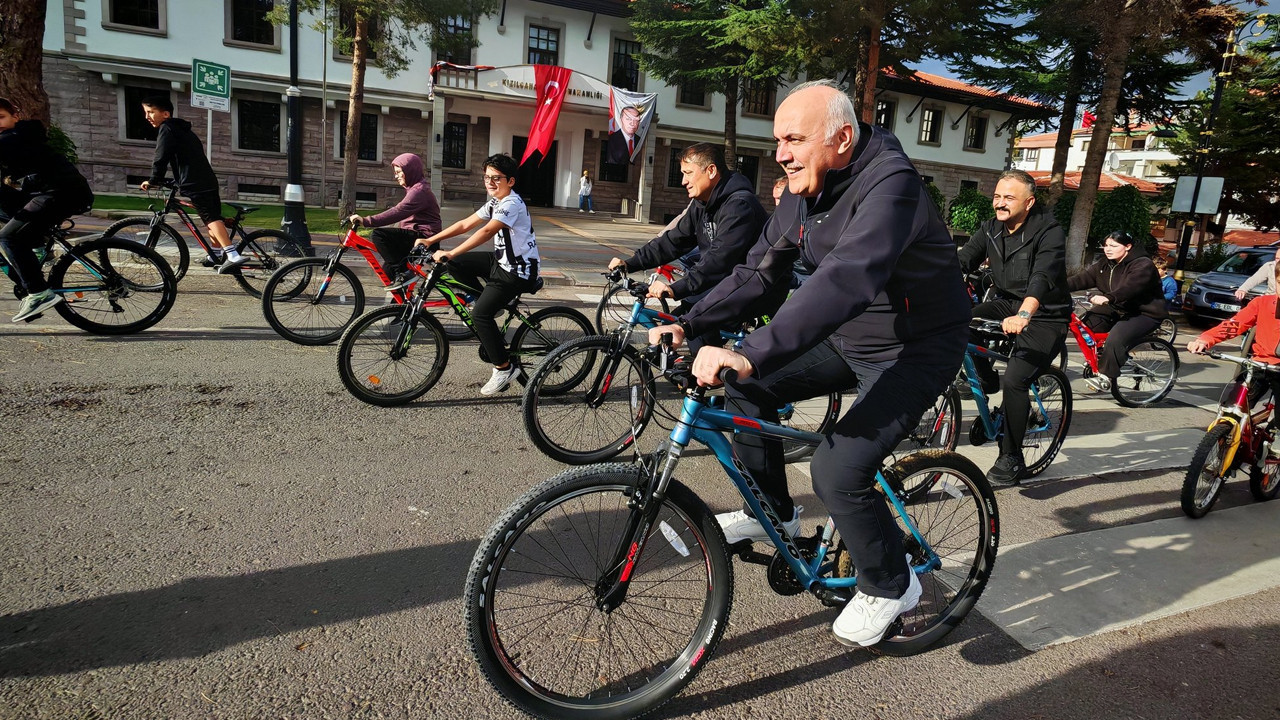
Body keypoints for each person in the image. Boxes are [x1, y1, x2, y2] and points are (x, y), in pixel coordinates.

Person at [648, 80, 970, 647]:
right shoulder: (804, 187)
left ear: (841, 138)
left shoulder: (892, 186)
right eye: (777, 140)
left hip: (917, 348)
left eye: (793, 139)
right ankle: (774, 513)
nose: (780, 154)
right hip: (851, 336)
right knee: (748, 393)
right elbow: (757, 270)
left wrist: (748, 352)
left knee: (836, 470)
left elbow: (844, 280)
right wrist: (690, 321)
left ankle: (892, 584)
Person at [607, 142, 778, 352]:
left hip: (755, 286)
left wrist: (674, 288)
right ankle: (699, 372)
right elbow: (673, 241)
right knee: (680, 319)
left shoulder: (740, 206)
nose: (683, 181)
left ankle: (708, 376)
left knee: (692, 321)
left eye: (688, 173)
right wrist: (629, 263)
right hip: (727, 282)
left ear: (711, 171)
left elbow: (718, 261)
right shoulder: (703, 202)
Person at [957, 169, 1070, 487]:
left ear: (1029, 202)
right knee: (959, 324)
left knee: (1017, 380)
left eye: (1008, 197)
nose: (1000, 203)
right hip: (1006, 302)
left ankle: (1012, 455)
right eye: (996, 196)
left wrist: (1024, 313)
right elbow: (964, 260)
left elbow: (1043, 276)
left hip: (1046, 314)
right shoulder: (991, 228)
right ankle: (984, 377)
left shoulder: (1049, 231)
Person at [413, 153, 539, 396]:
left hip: (518, 271)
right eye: (487, 178)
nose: (490, 182)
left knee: (480, 316)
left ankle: (504, 368)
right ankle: (482, 301)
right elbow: (465, 224)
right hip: (501, 262)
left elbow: (486, 232)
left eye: (496, 178)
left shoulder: (511, 204)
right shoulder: (495, 201)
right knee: (457, 264)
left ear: (510, 181)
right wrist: (432, 240)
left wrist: (449, 252)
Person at [0, 98, 95, 322]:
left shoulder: (12, 138)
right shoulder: (21, 137)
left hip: (61, 193)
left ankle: (38, 292)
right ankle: (38, 247)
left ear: (15, 116)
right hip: (54, 191)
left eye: (1, 117)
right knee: (10, 214)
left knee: (8, 238)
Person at [138, 96, 242, 274]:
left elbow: (160, 157)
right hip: (205, 178)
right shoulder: (182, 130)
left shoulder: (167, 128)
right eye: (146, 112)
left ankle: (232, 255)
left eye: (151, 112)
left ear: (165, 113)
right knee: (210, 215)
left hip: (196, 182)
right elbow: (186, 159)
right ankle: (214, 255)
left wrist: (154, 180)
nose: (147, 116)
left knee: (211, 218)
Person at [1067, 231, 1168, 392]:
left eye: (1113, 246)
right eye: (1106, 245)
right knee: (1085, 325)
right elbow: (1082, 279)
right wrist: (1055, 288)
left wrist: (1109, 297)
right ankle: (1103, 356)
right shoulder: (1104, 264)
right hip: (1117, 307)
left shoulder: (1142, 264)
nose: (1108, 249)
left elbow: (1131, 287)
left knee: (1116, 337)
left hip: (1144, 313)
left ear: (1128, 247)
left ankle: (1107, 375)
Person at [1188, 260, 1280, 429]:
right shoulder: (1263, 303)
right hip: (1259, 363)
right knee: (1232, 408)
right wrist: (1206, 339)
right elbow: (1235, 324)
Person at [347, 153, 441, 288]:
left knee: (378, 235)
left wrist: (367, 221)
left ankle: (404, 273)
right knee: (388, 272)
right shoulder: (415, 188)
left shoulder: (419, 191)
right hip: (416, 236)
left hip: (424, 239)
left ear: (409, 170)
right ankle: (403, 307)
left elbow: (398, 212)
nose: (396, 176)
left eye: (398, 172)